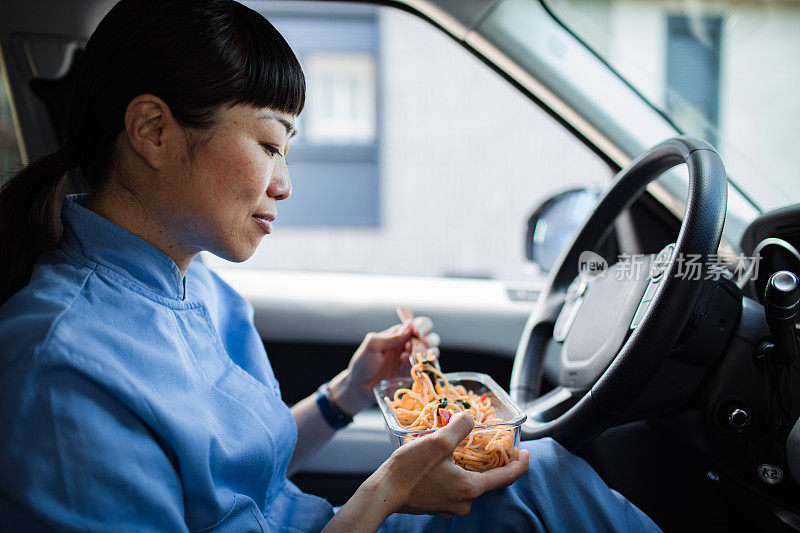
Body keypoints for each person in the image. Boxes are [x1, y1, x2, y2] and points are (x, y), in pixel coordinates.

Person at [0, 1, 661, 531]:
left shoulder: (196, 284)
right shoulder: (62, 364)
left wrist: (347, 392)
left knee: (536, 473)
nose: (284, 184)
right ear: (152, 130)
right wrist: (395, 486)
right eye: (268, 144)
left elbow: (246, 470)